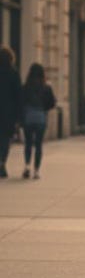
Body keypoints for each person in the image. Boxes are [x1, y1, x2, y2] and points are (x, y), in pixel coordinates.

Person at [20, 63, 56, 179]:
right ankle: (36, 171)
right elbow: (52, 103)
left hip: (28, 117)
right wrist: (44, 108)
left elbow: (21, 103)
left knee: (28, 143)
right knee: (39, 145)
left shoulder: (26, 86)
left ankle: (27, 166)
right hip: (41, 117)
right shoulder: (46, 87)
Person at [0, 45, 22, 179]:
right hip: (9, 113)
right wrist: (19, 117)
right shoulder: (14, 73)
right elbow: (18, 95)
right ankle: (2, 163)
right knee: (5, 140)